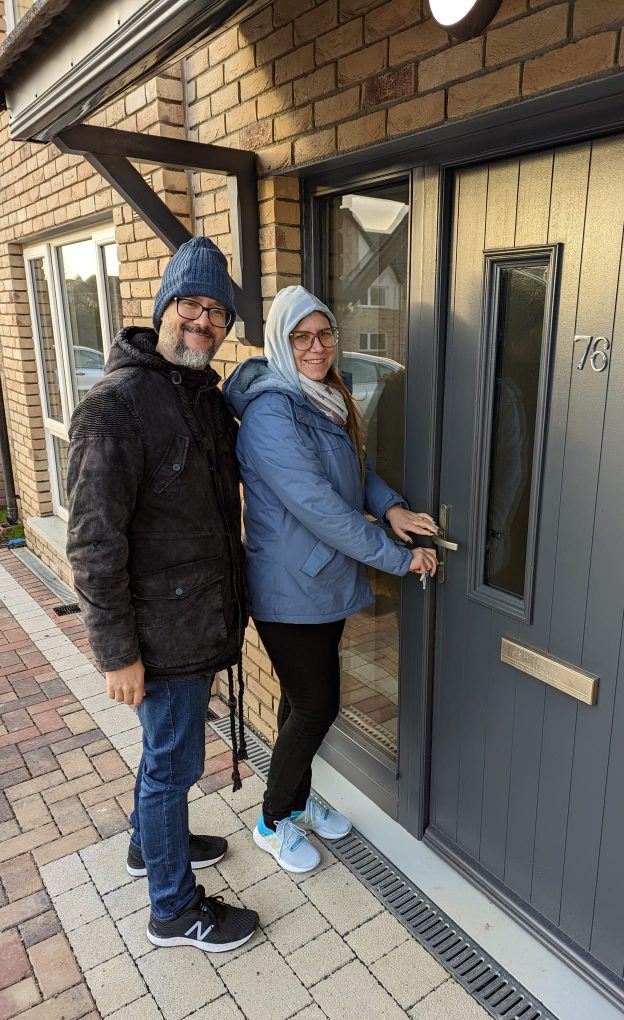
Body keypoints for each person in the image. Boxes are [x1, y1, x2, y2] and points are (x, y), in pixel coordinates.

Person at [66, 237, 260, 952]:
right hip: (161, 633)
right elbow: (93, 542)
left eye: (218, 311)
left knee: (166, 758)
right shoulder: (117, 405)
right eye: (192, 304)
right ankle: (173, 910)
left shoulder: (199, 395)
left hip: (197, 618)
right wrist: (116, 654)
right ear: (163, 307)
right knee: (172, 763)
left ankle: (154, 847)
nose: (204, 321)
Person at [223, 285, 438, 873]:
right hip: (287, 588)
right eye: (303, 337)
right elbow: (320, 507)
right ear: (281, 342)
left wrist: (391, 507)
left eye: (325, 335)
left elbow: (354, 474)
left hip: (319, 582)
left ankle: (294, 804)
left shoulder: (321, 397)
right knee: (318, 706)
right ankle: (271, 819)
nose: (317, 347)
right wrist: (400, 559)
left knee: (300, 702)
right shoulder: (272, 413)